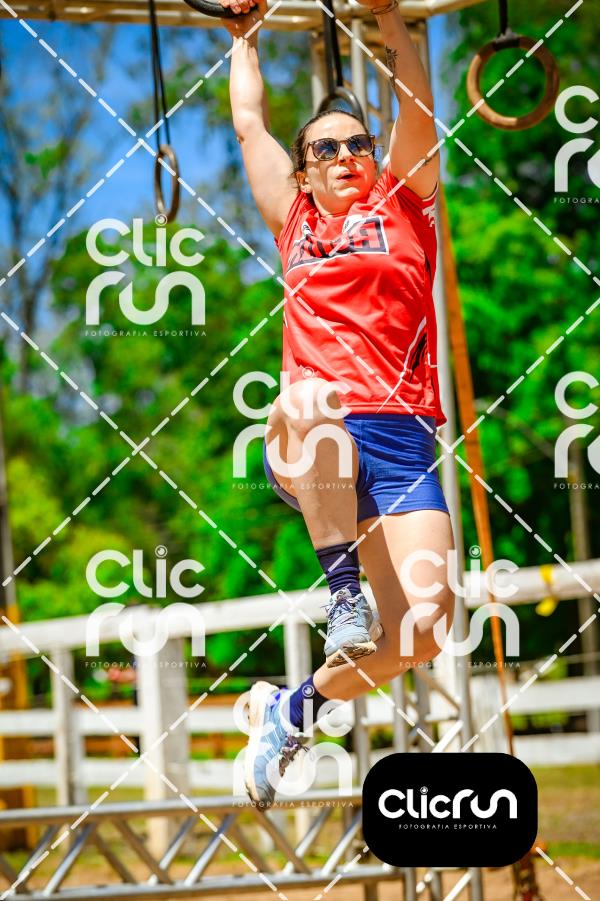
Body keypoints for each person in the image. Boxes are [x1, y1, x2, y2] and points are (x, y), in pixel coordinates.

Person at [219, 0, 455, 806]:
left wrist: (389, 20)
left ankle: (291, 710)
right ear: (304, 170)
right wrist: (243, 36)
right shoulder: (293, 223)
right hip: (313, 434)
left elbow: (416, 111)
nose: (348, 155)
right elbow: (249, 124)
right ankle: (341, 587)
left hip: (401, 441)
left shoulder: (405, 203)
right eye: (327, 148)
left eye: (359, 143)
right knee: (312, 395)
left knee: (424, 628)